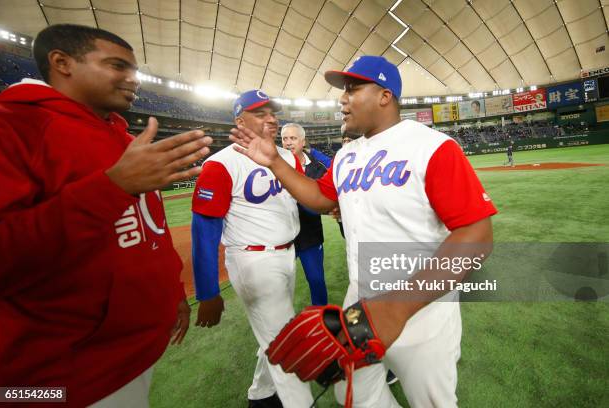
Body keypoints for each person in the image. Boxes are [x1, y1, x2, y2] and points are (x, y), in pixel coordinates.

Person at [230, 55, 496, 408]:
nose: (342, 99)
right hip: (360, 301)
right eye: (343, 90)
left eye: (353, 89)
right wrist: (276, 162)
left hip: (422, 309)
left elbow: (477, 235)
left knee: (432, 402)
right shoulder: (346, 155)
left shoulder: (433, 148)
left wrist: (396, 309)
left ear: (385, 96)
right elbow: (320, 198)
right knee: (352, 393)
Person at [0, 24, 213, 407]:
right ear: (61, 62)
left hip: (132, 354)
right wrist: (111, 187)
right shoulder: (11, 126)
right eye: (117, 66)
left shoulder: (126, 139)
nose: (134, 79)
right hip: (56, 379)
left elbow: (150, 230)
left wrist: (172, 293)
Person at [190, 90, 314, 407]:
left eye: (272, 112)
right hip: (252, 260)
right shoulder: (220, 164)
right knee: (286, 340)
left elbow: (303, 202)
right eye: (261, 113)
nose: (271, 118)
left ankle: (261, 397)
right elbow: (204, 230)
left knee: (272, 332)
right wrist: (207, 292)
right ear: (240, 120)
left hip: (287, 254)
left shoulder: (288, 157)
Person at [281, 122, 328, 306]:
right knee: (280, 285)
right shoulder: (271, 165)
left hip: (310, 237)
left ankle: (321, 318)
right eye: (285, 138)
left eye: (293, 138)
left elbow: (321, 202)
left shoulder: (316, 167)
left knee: (316, 281)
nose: (288, 143)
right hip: (281, 238)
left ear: (302, 141)